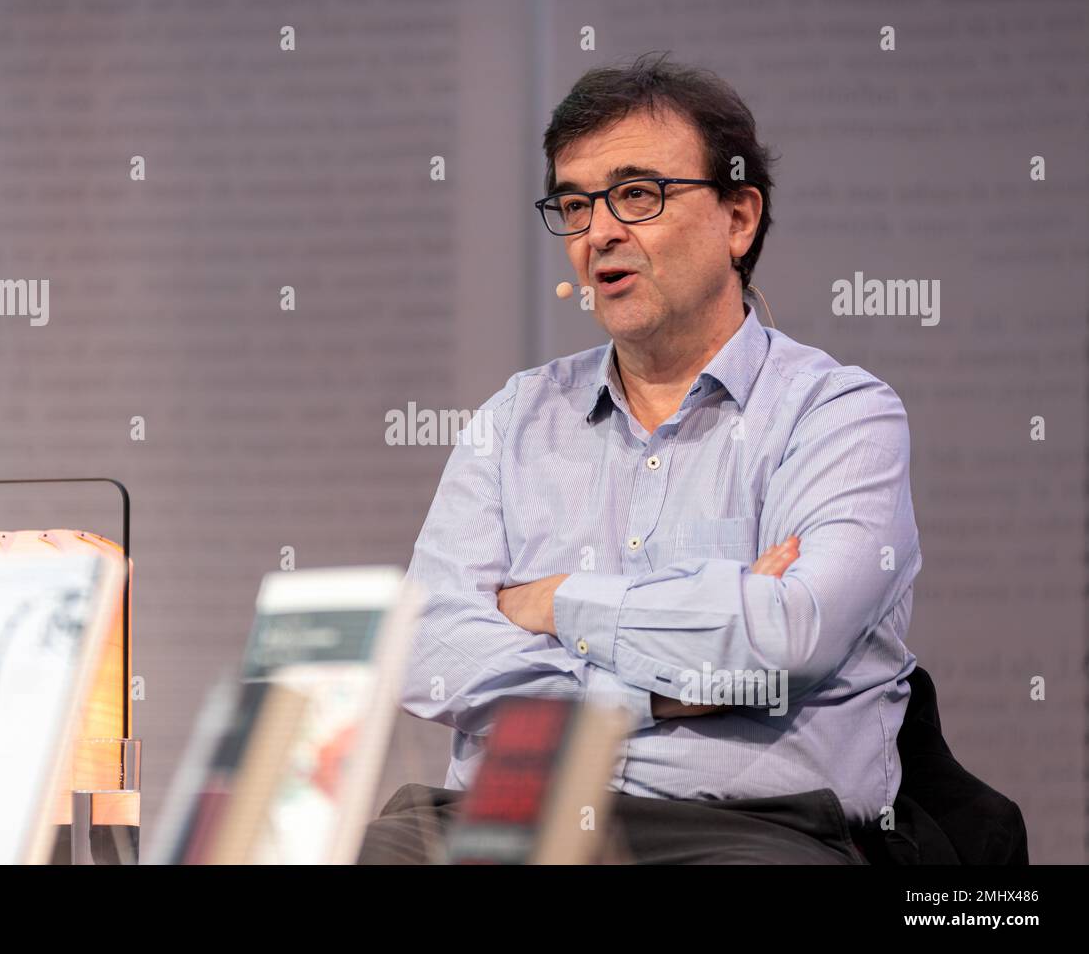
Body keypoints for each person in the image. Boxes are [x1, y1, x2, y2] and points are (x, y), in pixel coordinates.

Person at [359, 52, 921, 864]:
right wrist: (655, 688)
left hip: (747, 832)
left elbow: (787, 638)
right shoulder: (515, 417)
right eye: (576, 204)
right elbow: (430, 645)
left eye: (637, 194)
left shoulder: (838, 415)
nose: (599, 234)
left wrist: (558, 605)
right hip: (519, 818)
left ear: (739, 218)